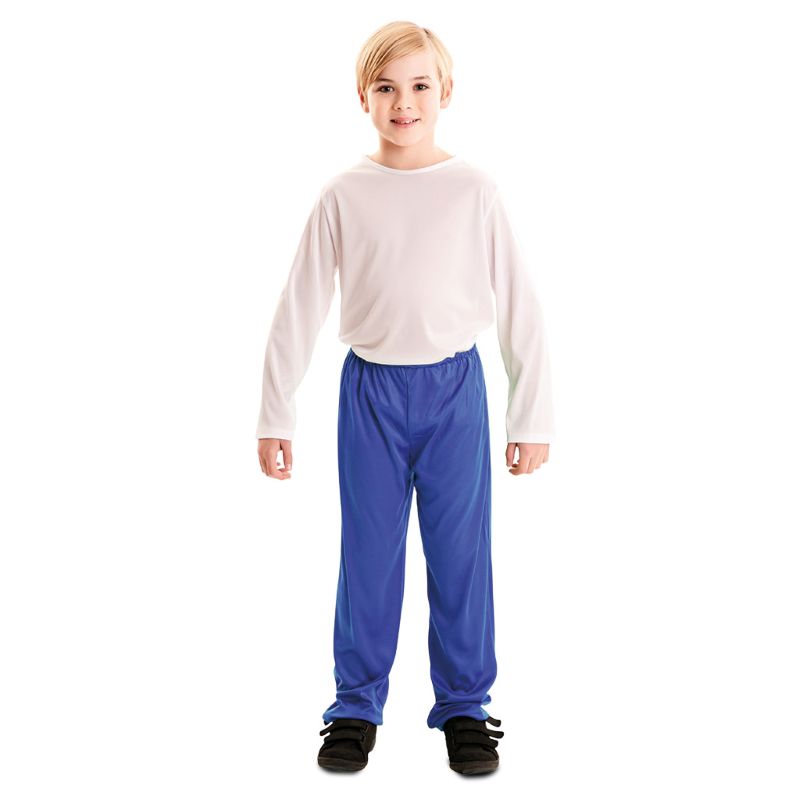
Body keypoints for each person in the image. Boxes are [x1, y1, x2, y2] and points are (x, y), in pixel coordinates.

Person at [255, 20, 555, 775]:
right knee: (368, 555)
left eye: (420, 85)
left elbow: (520, 302)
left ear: (446, 91)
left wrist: (530, 415)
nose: (404, 102)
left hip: (454, 393)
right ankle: (355, 706)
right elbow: (298, 306)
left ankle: (465, 707)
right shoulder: (343, 194)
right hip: (371, 395)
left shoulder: (474, 191)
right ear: (363, 96)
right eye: (386, 87)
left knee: (461, 556)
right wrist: (275, 411)